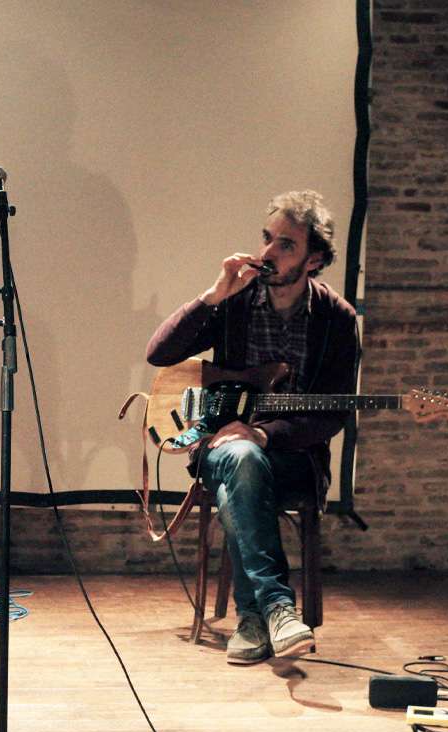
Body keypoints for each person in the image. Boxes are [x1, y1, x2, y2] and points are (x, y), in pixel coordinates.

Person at [145, 190, 358, 665]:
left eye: (285, 244)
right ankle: (280, 608)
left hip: (294, 459)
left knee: (244, 472)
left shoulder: (336, 320)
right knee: (239, 459)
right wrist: (212, 295)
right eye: (267, 239)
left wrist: (264, 434)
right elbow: (159, 353)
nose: (267, 253)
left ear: (314, 259)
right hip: (219, 445)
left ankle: (252, 618)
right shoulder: (235, 303)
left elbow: (332, 413)